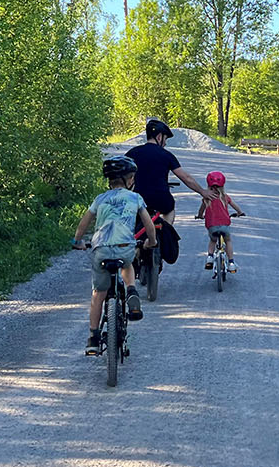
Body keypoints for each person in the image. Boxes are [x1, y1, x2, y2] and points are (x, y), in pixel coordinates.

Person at [72, 155, 157, 355]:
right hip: (124, 245)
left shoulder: (99, 199)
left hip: (100, 248)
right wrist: (151, 242)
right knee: (127, 264)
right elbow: (148, 225)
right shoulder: (135, 198)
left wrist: (77, 242)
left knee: (98, 294)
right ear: (129, 179)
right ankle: (131, 291)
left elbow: (84, 224)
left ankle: (93, 337)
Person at [126, 118, 210, 222]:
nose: (165, 143)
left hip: (136, 199)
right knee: (169, 210)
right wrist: (202, 192)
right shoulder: (166, 155)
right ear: (159, 137)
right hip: (160, 200)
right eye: (165, 139)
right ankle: (166, 234)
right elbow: (186, 178)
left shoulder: (131, 153)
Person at [198, 170, 245, 273]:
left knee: (213, 241)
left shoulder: (207, 198)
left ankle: (210, 257)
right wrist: (240, 212)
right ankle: (231, 263)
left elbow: (201, 210)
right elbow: (235, 206)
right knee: (228, 240)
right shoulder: (225, 197)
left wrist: (200, 216)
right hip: (224, 225)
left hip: (212, 226)